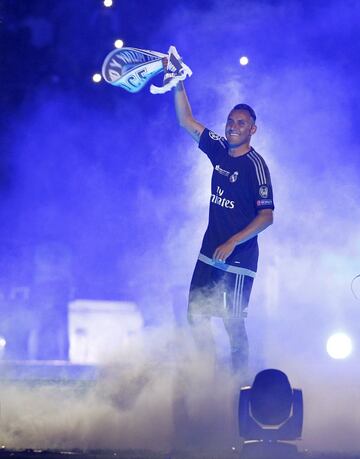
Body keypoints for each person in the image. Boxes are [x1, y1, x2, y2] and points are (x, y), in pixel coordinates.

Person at [173, 81, 274, 377]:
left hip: (239, 258)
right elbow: (186, 121)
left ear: (252, 130)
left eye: (241, 123)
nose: (233, 127)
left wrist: (233, 242)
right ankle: (209, 372)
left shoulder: (256, 166)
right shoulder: (219, 150)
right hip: (210, 251)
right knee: (196, 315)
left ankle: (238, 383)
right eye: (230, 121)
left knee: (232, 322)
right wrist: (177, 83)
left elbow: (266, 216)